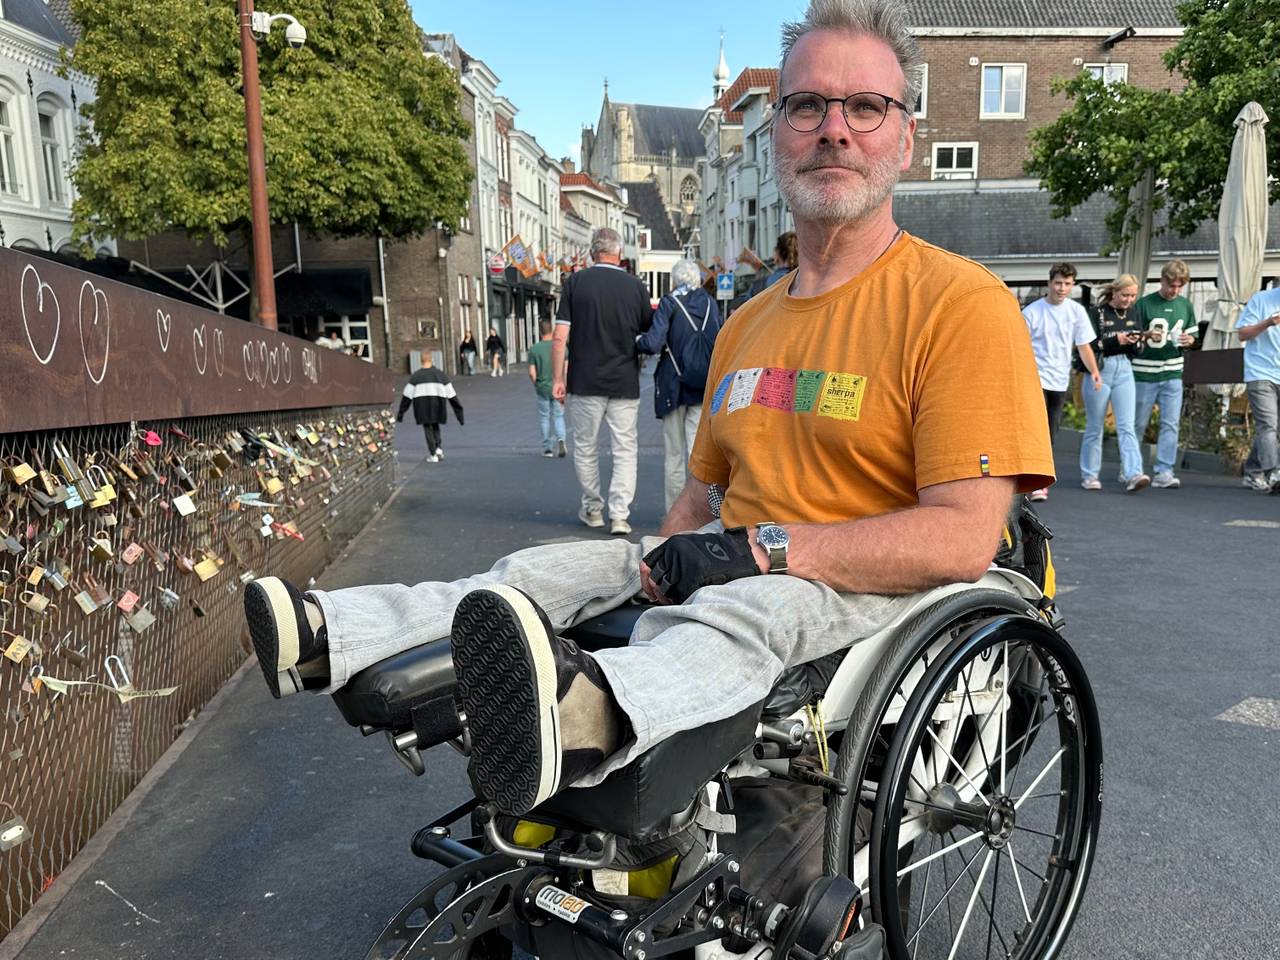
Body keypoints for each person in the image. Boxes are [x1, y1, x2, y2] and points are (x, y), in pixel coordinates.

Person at [242, 0, 1053, 818]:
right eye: (807, 106)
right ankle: (339, 639)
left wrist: (760, 552)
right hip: (740, 551)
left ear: (905, 137)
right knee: (544, 573)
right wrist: (657, 565)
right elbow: (701, 501)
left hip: (864, 585)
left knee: (745, 607)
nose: (834, 129)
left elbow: (961, 536)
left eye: (865, 107)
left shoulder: (961, 306)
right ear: (777, 134)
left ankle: (586, 714)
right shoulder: (747, 325)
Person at [553, 226, 654, 536]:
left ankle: (593, 509)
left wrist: (558, 379)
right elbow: (646, 333)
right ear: (620, 253)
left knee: (585, 447)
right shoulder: (635, 286)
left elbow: (559, 338)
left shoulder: (575, 283)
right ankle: (620, 515)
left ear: (590, 253)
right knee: (625, 448)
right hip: (624, 381)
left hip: (584, 381)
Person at [637, 258, 724, 510]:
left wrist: (636, 342)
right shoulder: (709, 303)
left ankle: (675, 514)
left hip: (673, 386)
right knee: (697, 456)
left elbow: (653, 343)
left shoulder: (669, 303)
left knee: (674, 454)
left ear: (675, 280)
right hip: (701, 384)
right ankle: (700, 512)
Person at [1021, 262, 1101, 501]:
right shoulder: (1032, 312)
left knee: (1050, 432)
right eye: (1058, 283)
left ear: (1072, 285)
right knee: (1036, 429)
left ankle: (1039, 476)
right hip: (1035, 378)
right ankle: (1035, 484)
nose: (1062, 288)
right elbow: (1021, 347)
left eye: (1067, 284)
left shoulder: (1075, 312)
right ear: (1049, 283)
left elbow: (1083, 345)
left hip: (1059, 379)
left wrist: (1094, 371)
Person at [1079, 274, 1150, 492]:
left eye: (1133, 296)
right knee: (1095, 425)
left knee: (1127, 425)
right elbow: (1089, 344)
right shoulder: (1097, 313)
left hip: (1125, 368)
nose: (1128, 300)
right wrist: (1115, 340)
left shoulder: (1133, 312)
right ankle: (1090, 474)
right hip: (1100, 368)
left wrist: (1138, 341)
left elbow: (1138, 348)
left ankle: (1133, 473)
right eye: (1125, 295)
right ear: (1114, 292)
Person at [1132, 259, 1198, 488]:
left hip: (1172, 371)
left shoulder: (1186, 305)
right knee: (1138, 423)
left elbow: (1192, 336)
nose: (1175, 290)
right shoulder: (1144, 304)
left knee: (1170, 423)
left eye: (1180, 286)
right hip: (1144, 372)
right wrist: (1146, 335)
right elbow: (1131, 335)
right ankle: (1132, 468)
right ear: (1162, 280)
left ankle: (1164, 471)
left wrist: (1190, 340)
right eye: (1172, 285)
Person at [1235, 285, 1280, 493]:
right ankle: (1274, 474)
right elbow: (1242, 334)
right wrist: (1268, 322)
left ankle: (1253, 471)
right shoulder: (1261, 300)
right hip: (1260, 372)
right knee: (1268, 425)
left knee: (1271, 429)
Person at [395, 355, 463, 463]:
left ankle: (433, 454)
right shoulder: (441, 375)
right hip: (438, 405)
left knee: (427, 428)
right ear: (432, 360)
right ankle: (438, 448)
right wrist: (460, 415)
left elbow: (406, 397)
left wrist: (400, 414)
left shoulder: (416, 377)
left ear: (421, 360)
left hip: (422, 406)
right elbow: (452, 395)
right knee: (436, 426)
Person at [527, 319, 567, 458]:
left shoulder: (534, 349)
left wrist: (536, 384)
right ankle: (561, 440)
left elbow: (532, 372)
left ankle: (547, 449)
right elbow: (566, 368)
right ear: (552, 330)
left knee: (545, 417)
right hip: (558, 387)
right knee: (559, 415)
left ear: (540, 331)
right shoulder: (561, 347)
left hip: (542, 388)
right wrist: (564, 385)